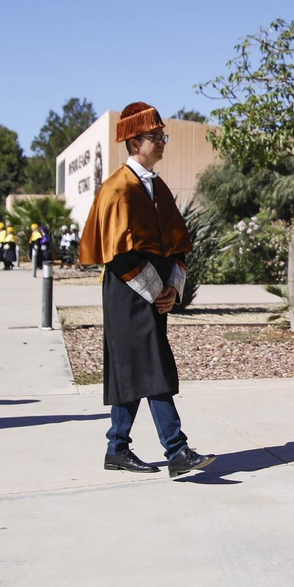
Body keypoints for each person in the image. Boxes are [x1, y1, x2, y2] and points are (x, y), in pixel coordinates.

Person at [81, 102, 215, 479]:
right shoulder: (117, 188)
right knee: (153, 366)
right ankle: (177, 450)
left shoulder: (157, 187)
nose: (162, 143)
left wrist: (172, 287)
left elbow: (177, 244)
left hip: (154, 292)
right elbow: (118, 256)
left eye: (162, 136)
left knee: (135, 369)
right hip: (127, 291)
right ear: (134, 141)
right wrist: (157, 289)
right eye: (155, 137)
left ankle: (116, 448)